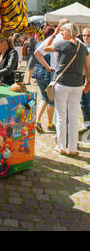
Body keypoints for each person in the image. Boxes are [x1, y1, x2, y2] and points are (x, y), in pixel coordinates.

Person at [44, 22, 90, 157]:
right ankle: (73, 148)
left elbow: (46, 48)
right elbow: (88, 66)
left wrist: (54, 34)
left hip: (62, 84)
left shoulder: (63, 43)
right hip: (77, 85)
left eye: (63, 31)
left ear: (70, 31)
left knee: (61, 116)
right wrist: (87, 82)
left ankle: (62, 146)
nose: (61, 33)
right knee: (74, 116)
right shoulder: (83, 47)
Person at [33, 26, 56, 133]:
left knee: (45, 97)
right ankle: (45, 122)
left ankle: (44, 122)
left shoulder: (38, 44)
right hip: (48, 73)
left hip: (38, 73)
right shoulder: (51, 46)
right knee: (49, 99)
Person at [79, 27, 90, 135]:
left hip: (87, 78)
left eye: (88, 35)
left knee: (88, 102)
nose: (86, 37)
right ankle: (87, 125)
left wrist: (87, 82)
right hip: (81, 78)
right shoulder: (83, 47)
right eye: (84, 35)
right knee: (83, 103)